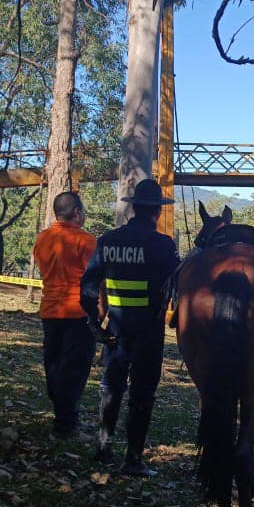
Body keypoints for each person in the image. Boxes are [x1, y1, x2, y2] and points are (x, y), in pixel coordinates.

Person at [80, 178, 180, 477]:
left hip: (115, 330)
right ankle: (133, 460)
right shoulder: (163, 245)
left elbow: (87, 289)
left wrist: (95, 325)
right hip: (148, 333)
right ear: (157, 213)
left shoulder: (107, 240)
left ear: (134, 208)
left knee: (111, 387)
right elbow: (176, 286)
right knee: (142, 393)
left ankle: (102, 446)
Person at [33, 191, 97, 439]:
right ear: (77, 213)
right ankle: (66, 425)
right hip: (78, 313)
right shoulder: (86, 241)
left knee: (54, 364)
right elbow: (93, 280)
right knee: (75, 370)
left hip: (50, 310)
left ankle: (63, 414)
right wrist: (101, 310)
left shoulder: (42, 239)